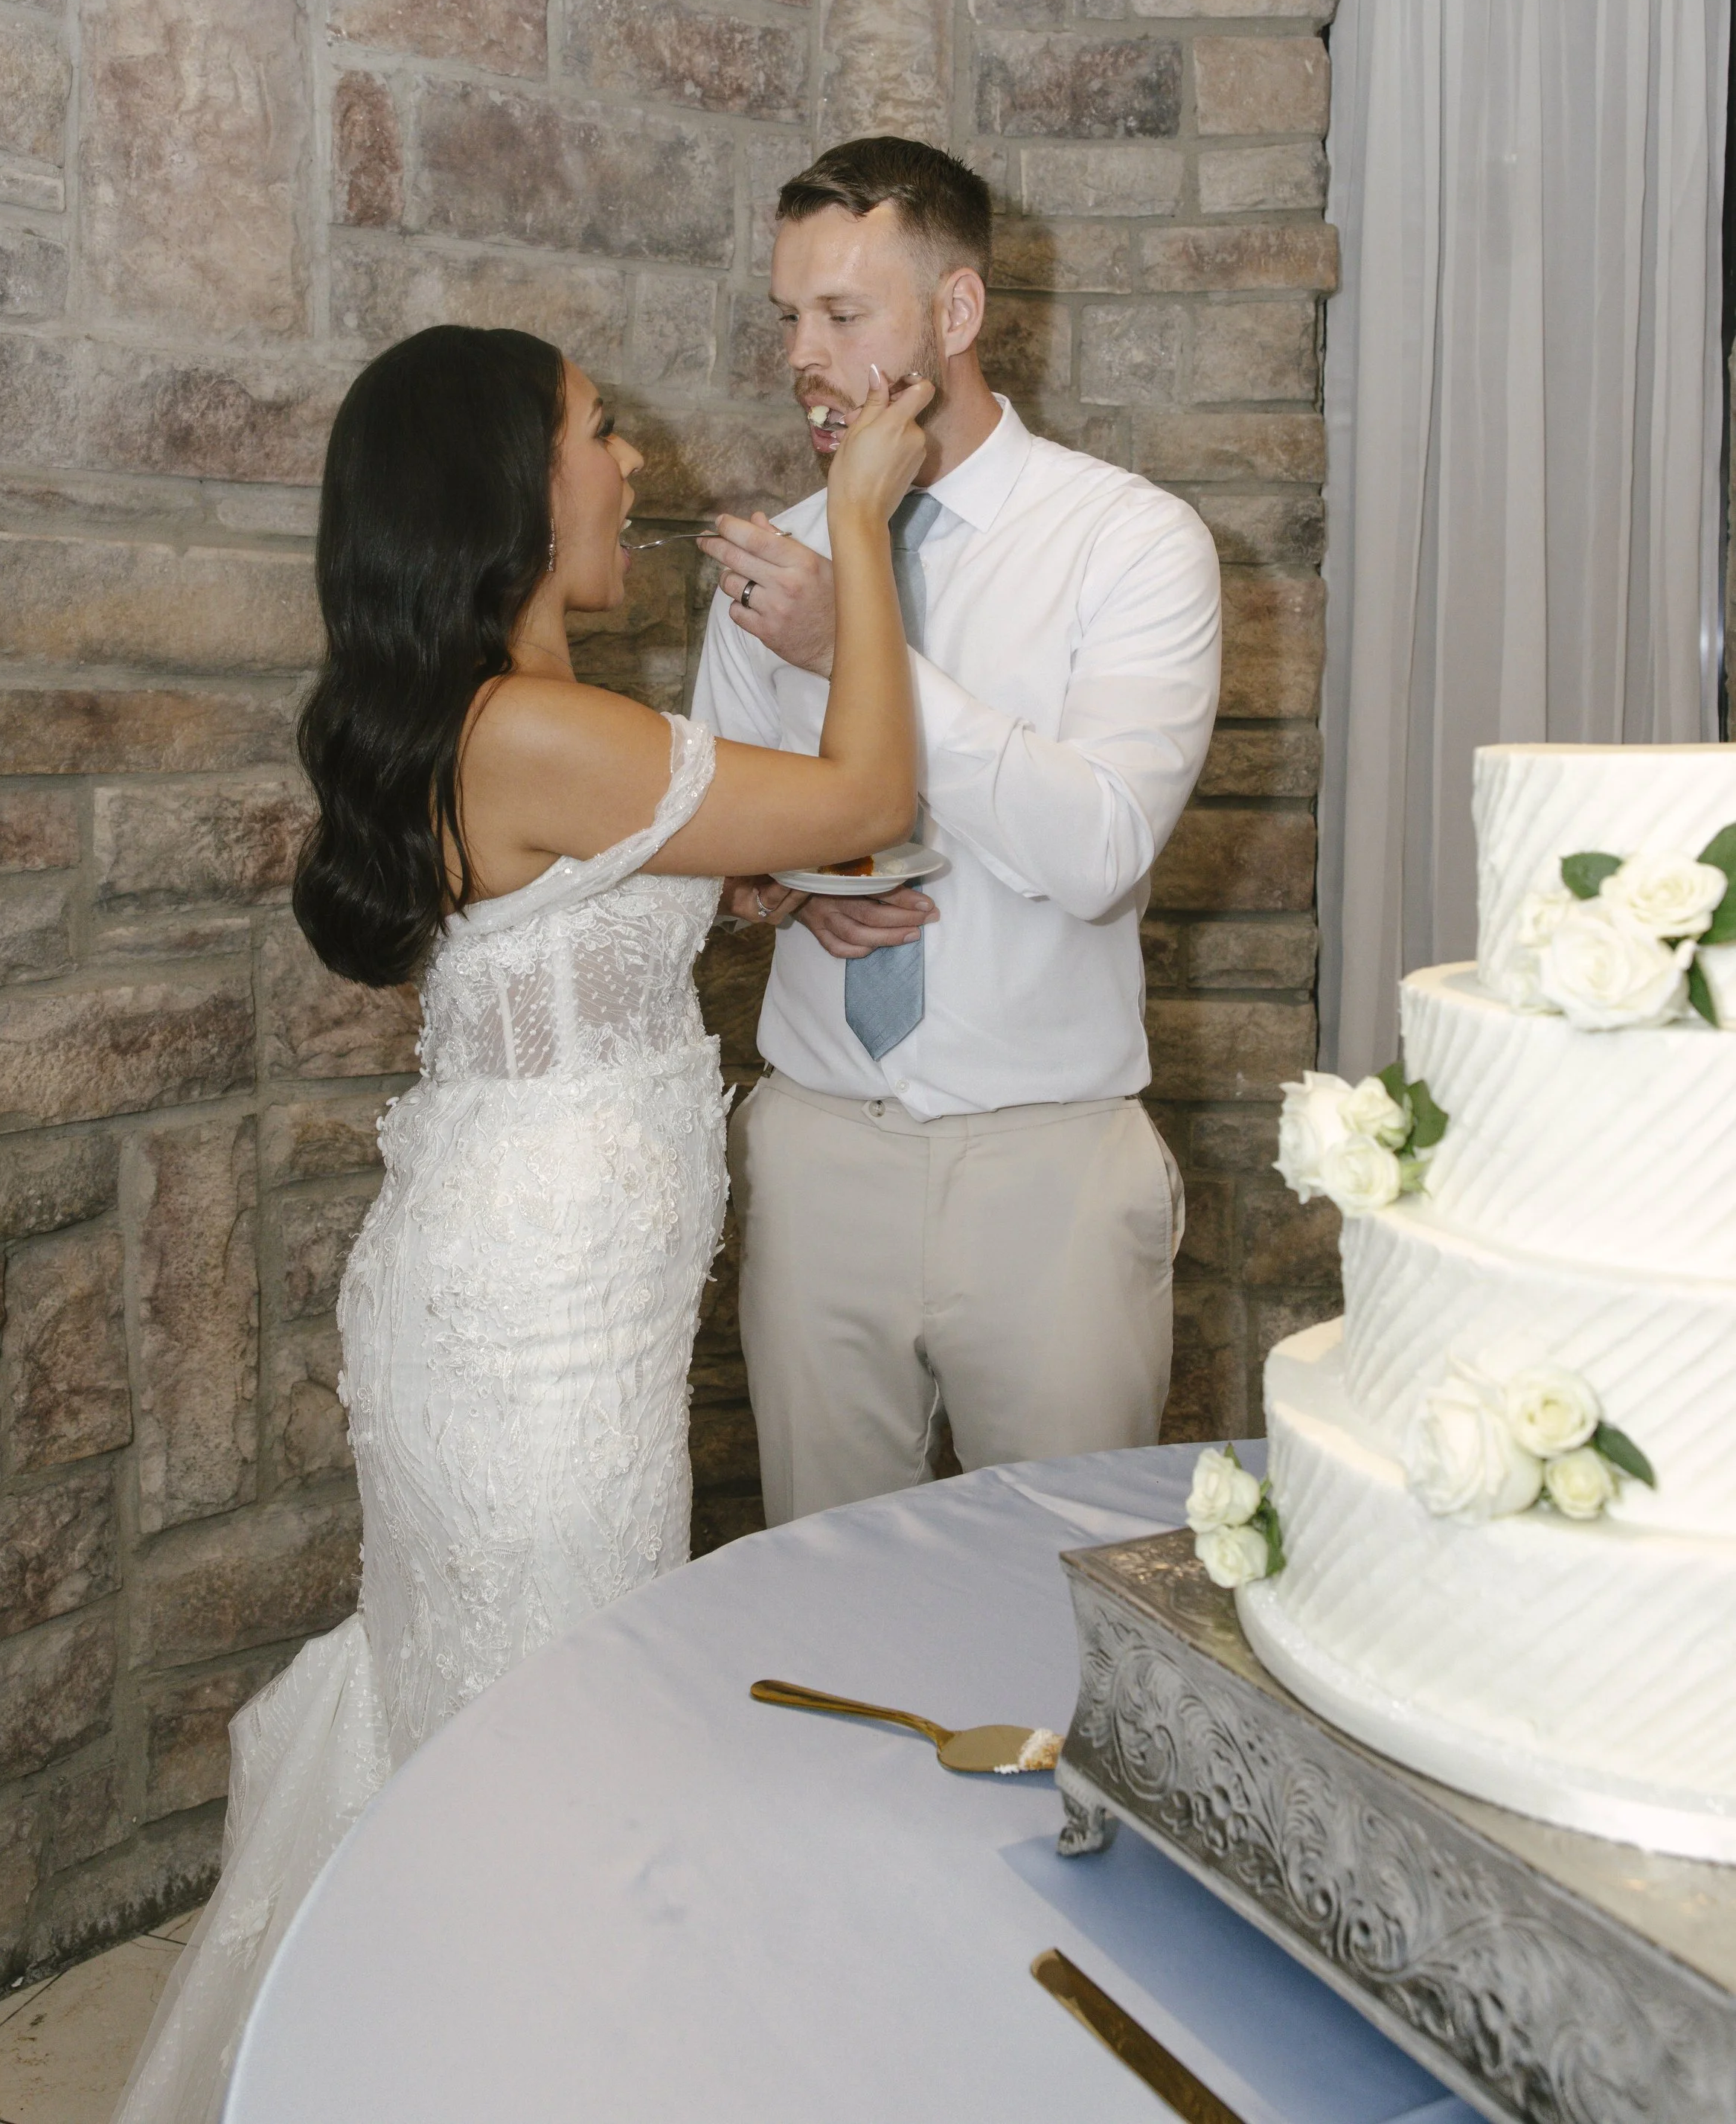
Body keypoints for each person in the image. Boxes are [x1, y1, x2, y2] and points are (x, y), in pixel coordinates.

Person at [115, 323, 930, 2124]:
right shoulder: (544, 726)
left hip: (520, 1300)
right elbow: (878, 790)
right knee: (558, 1738)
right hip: (533, 1345)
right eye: (595, 431)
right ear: (506, 487)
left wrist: (754, 897)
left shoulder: (500, 729)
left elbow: (557, 931)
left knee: (502, 1709)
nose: (628, 461)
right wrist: (858, 523)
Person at [692, 138, 1222, 1526]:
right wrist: (784, 899)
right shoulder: (771, 560)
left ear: (957, 315)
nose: (804, 356)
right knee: (821, 1588)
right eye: (787, 318)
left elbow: (1101, 848)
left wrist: (850, 642)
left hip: (1046, 1170)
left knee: (1070, 1604)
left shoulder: (1132, 543)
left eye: (843, 316)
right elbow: (714, 845)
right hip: (816, 1153)